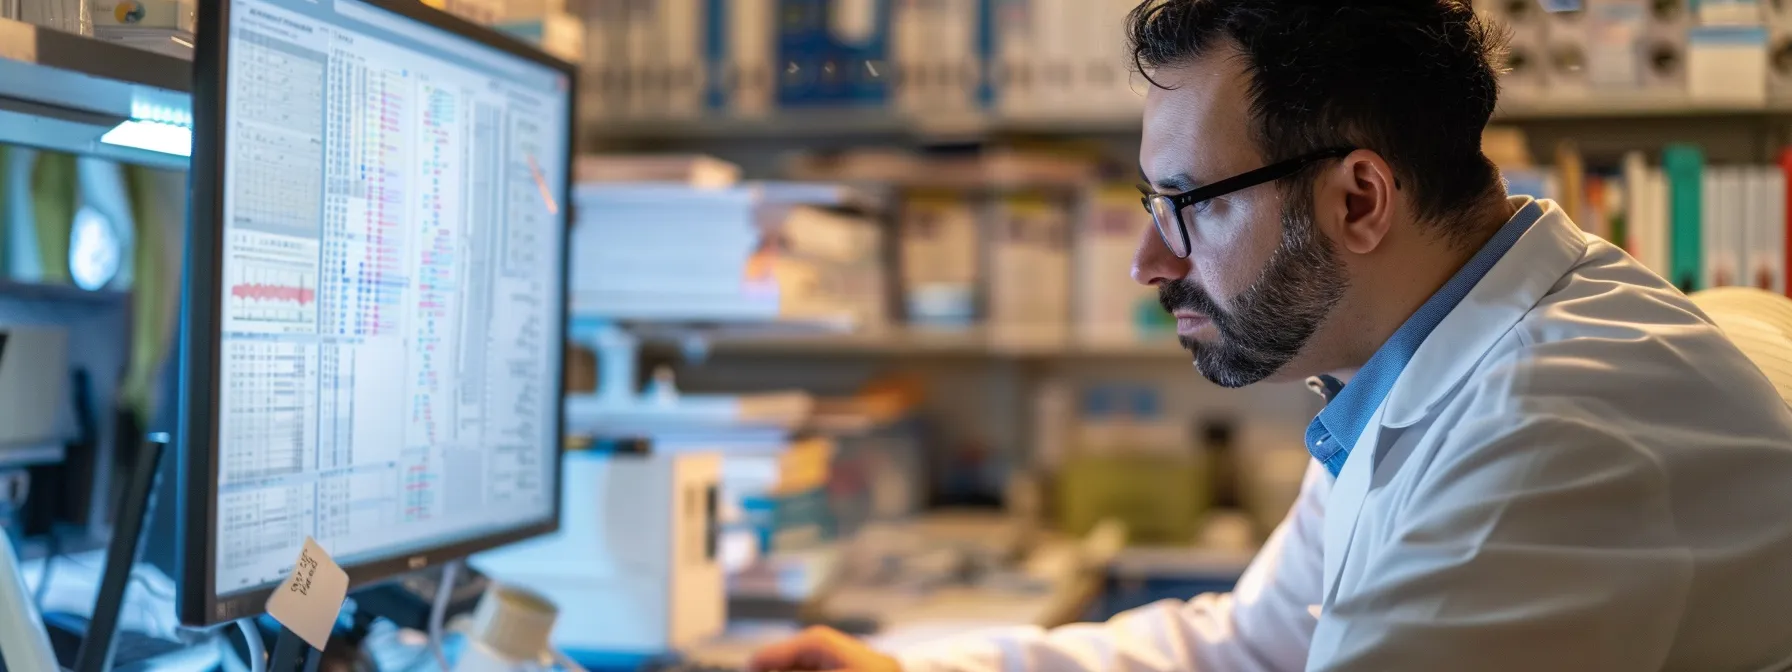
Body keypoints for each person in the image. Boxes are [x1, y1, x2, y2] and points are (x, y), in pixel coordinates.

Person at [749, 1, 1792, 670]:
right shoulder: (1409, 367)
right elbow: (1253, 647)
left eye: (1187, 204)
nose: (1148, 263)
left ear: (1359, 199)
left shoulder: (1551, 439)